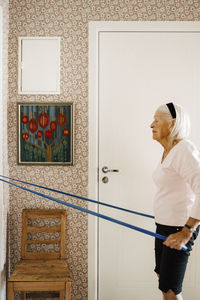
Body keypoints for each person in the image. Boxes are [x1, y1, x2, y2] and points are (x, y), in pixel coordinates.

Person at [150, 102, 200, 300]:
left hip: (179, 228)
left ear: (172, 124)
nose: (151, 125)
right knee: (164, 281)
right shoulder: (169, 152)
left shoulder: (184, 149)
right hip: (164, 225)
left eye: (156, 120)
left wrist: (187, 231)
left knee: (171, 289)